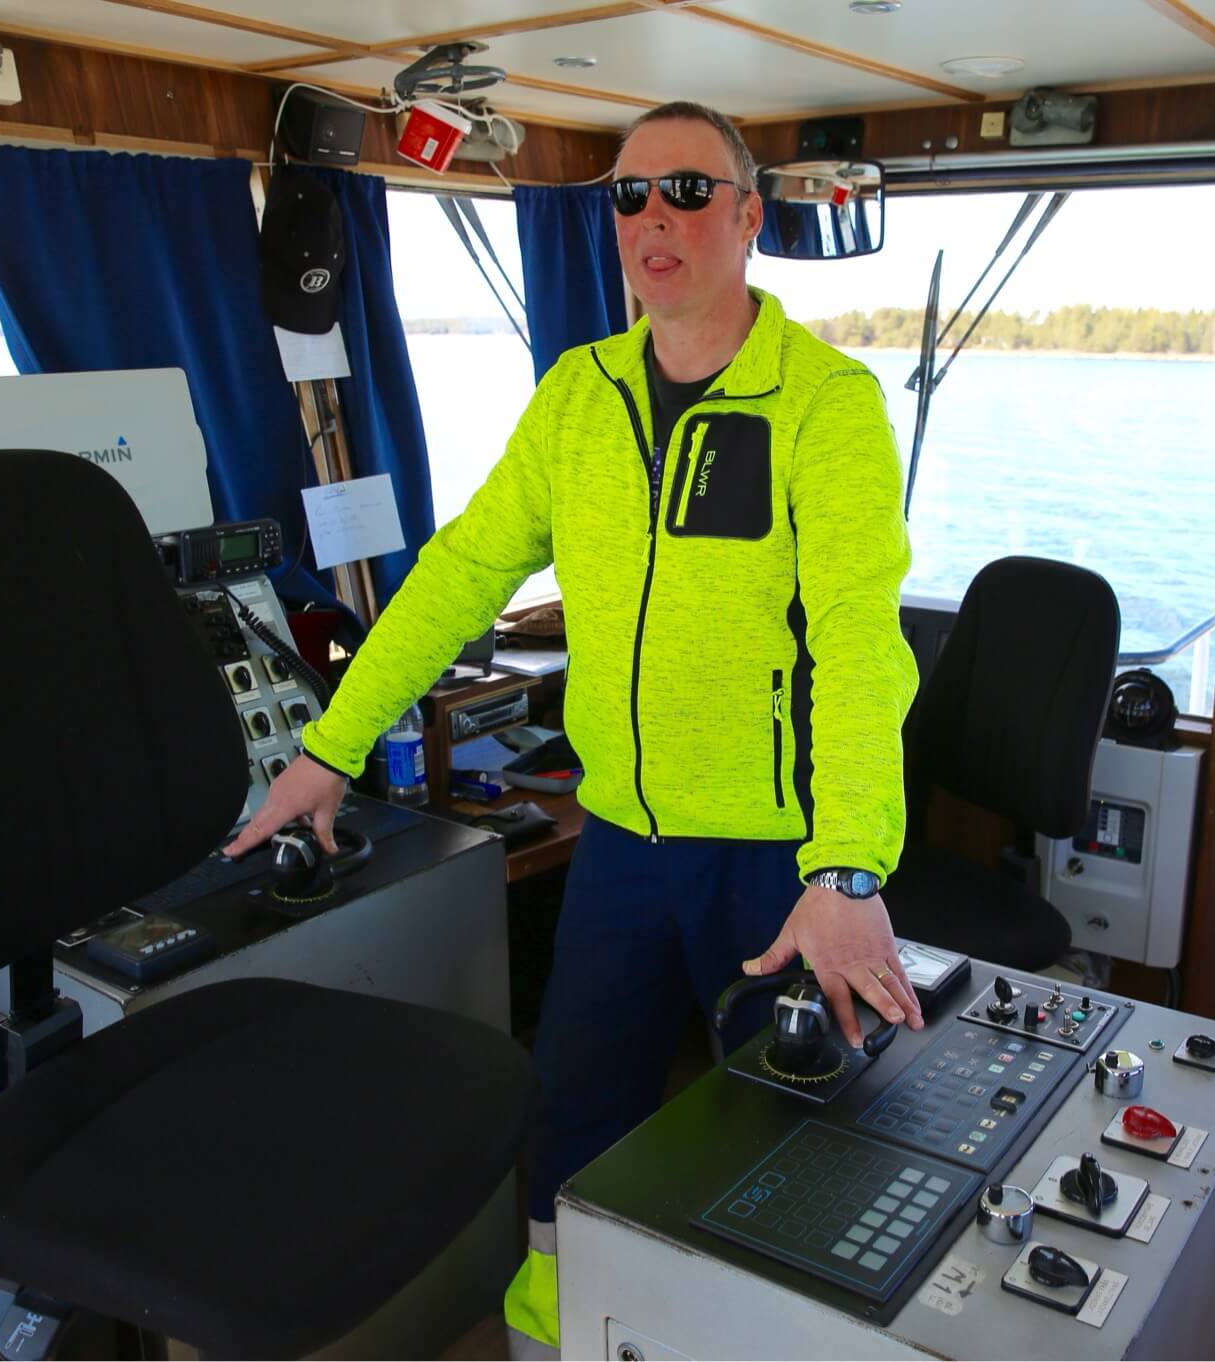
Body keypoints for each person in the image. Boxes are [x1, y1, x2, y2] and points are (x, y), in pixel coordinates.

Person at [224, 100, 922, 1356]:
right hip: (618, 846)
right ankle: (558, 1337)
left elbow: (864, 650)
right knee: (572, 1119)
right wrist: (329, 749)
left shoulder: (828, 407)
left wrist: (847, 866)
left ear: (751, 217)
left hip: (774, 861)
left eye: (691, 193)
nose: (655, 218)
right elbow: (459, 573)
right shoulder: (576, 399)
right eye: (628, 196)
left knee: (792, 1140)